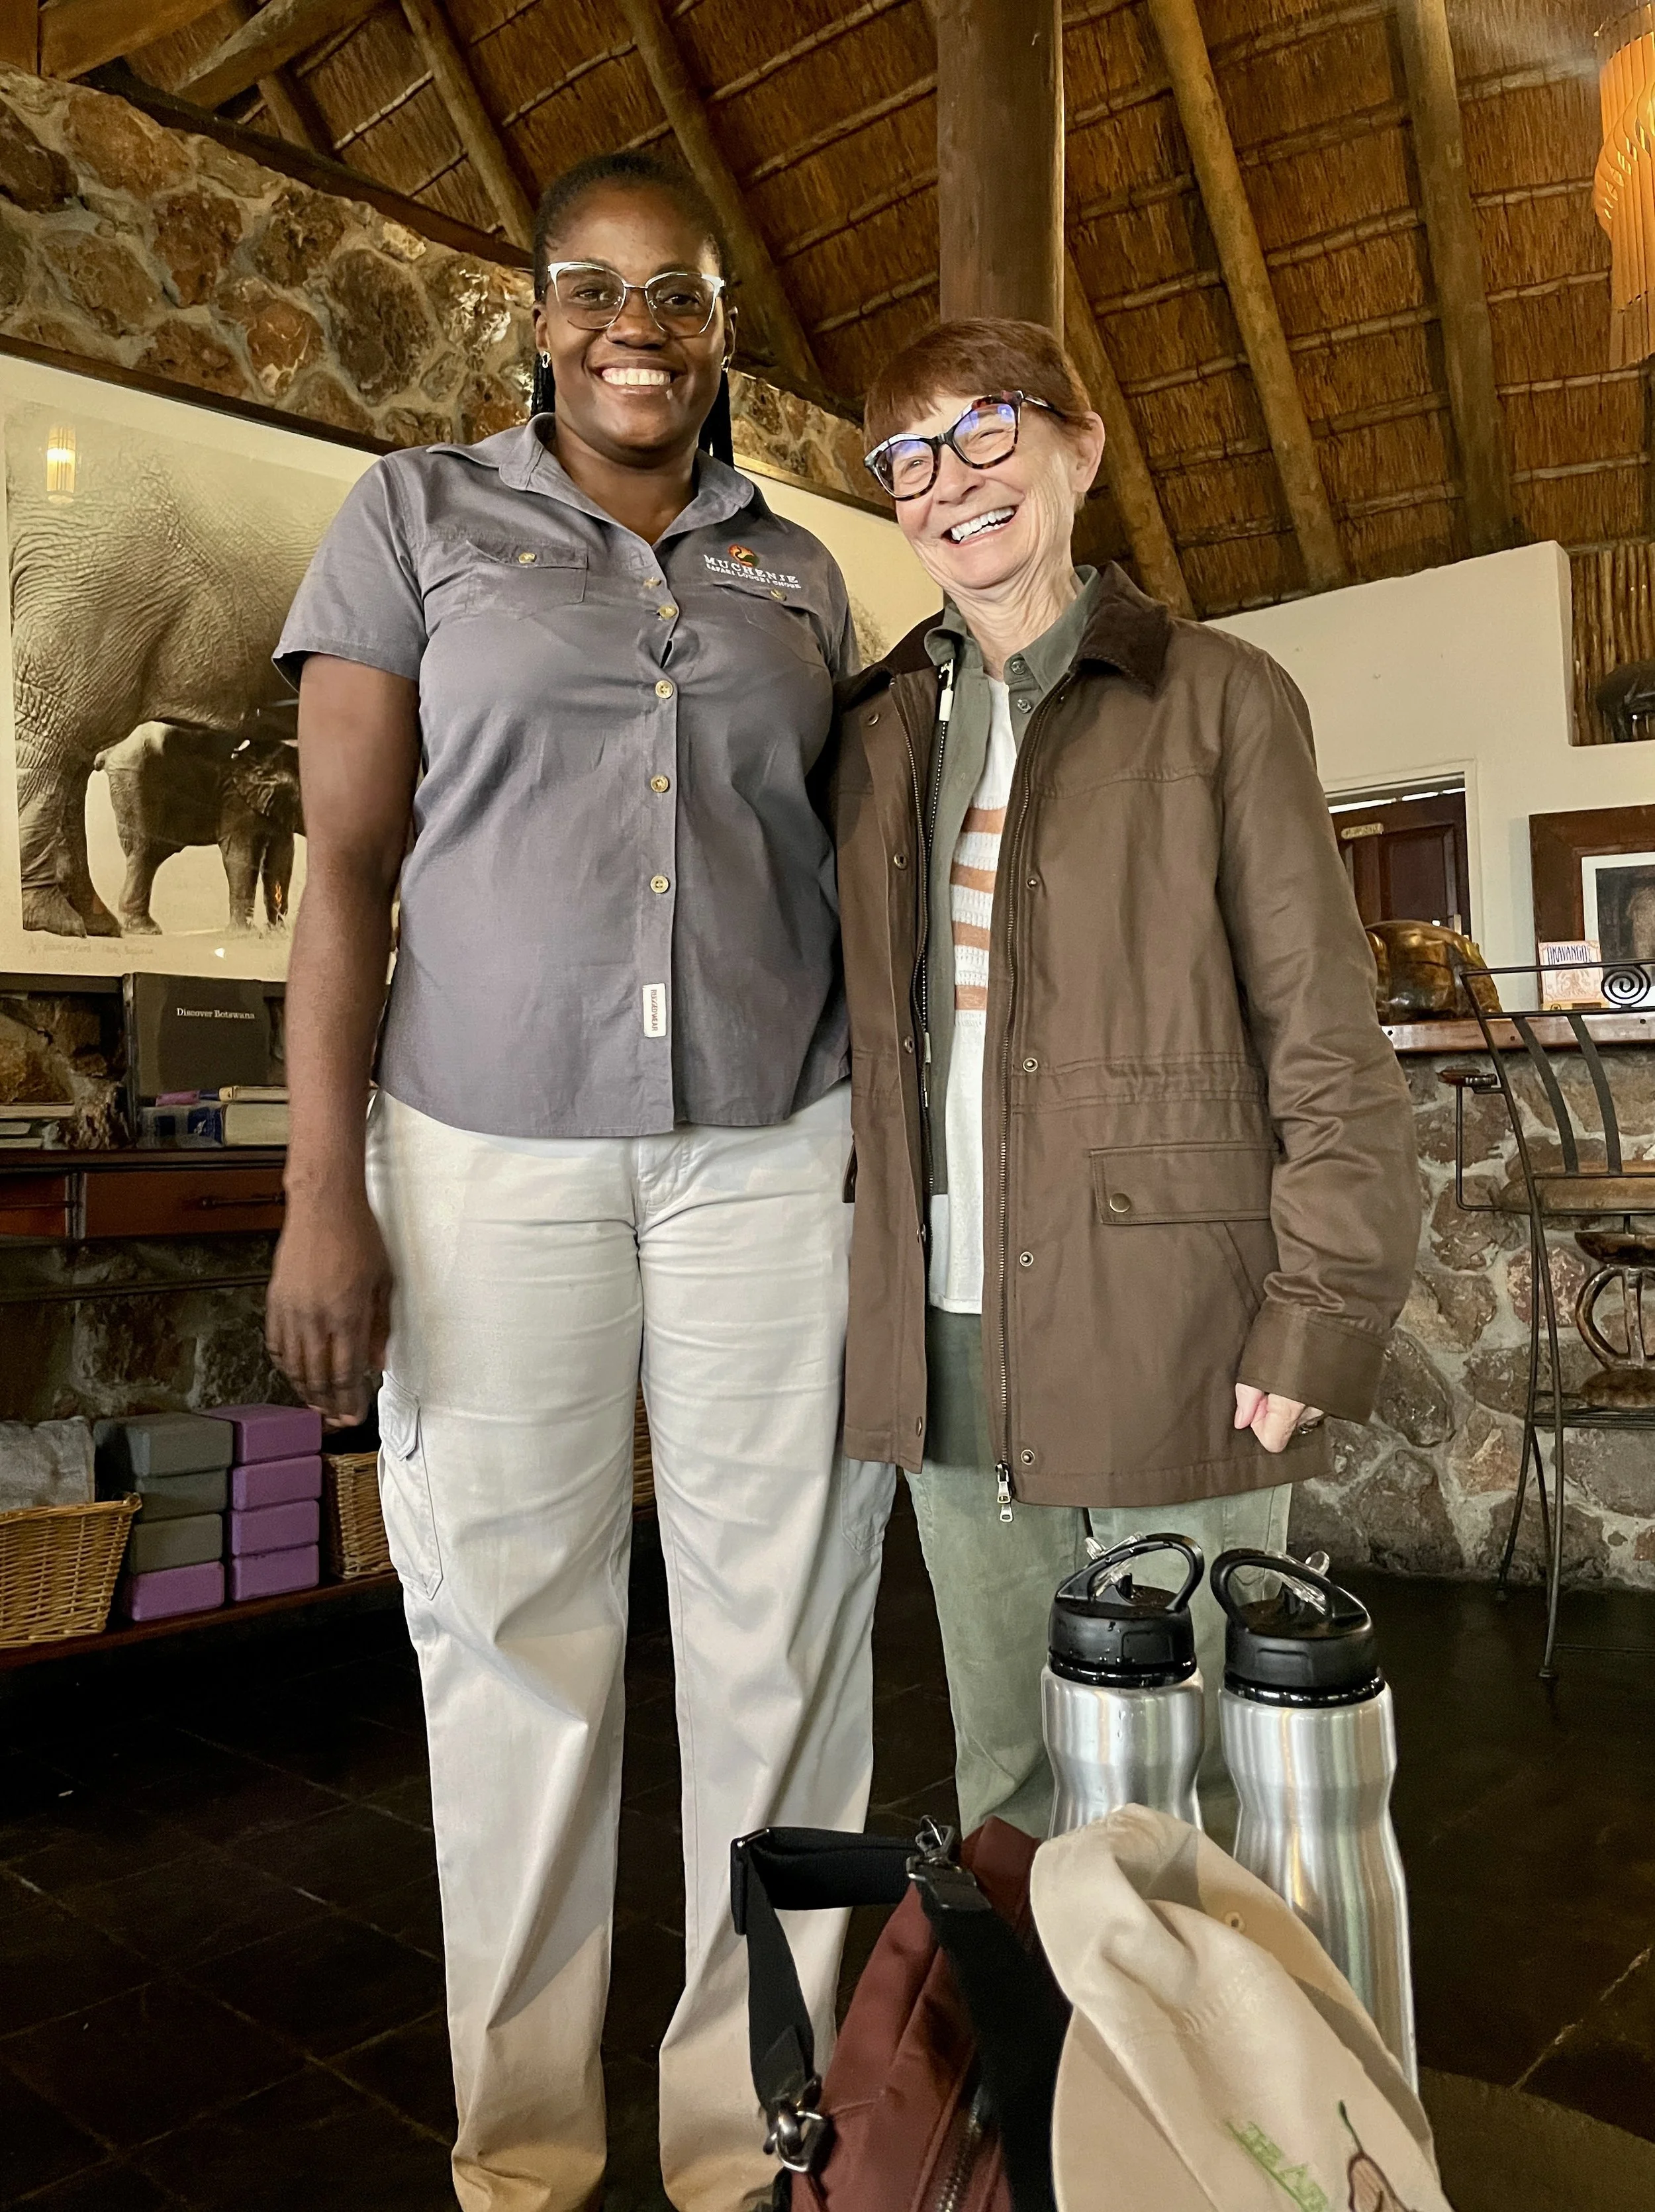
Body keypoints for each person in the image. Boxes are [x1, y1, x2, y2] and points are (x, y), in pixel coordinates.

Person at [265, 150, 891, 2212]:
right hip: (483, 1150)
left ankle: (752, 2140)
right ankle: (525, 2149)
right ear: (536, 319)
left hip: (769, 1145)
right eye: (596, 289)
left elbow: (832, 867)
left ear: (722, 332)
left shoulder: (800, 573)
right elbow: (343, 876)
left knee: (782, 1638)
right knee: (512, 1642)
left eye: (678, 294)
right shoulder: (412, 518)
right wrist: (324, 1186)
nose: (639, 325)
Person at [834, 317, 1421, 1842]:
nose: (946, 481)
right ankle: (1048, 2008)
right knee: (1008, 1775)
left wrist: (1321, 1306)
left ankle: (1201, 2014)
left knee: (1203, 1778)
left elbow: (1323, 1034)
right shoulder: (878, 730)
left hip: (1175, 1324)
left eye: (983, 431)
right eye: (906, 456)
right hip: (942, 1329)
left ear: (1076, 446)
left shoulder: (1220, 697)